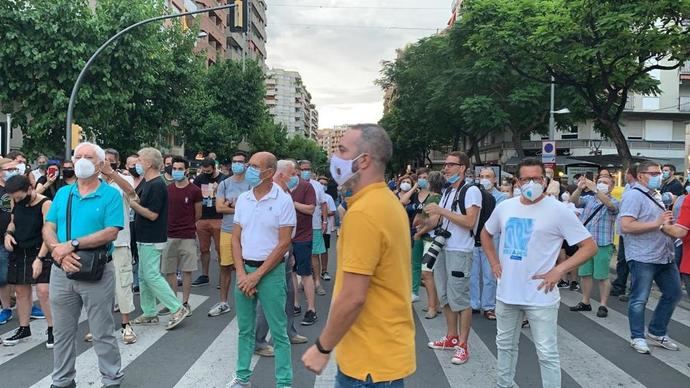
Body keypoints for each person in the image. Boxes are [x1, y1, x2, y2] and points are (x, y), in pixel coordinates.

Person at [302, 124, 415, 386]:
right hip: (382, 355)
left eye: (342, 150)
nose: (335, 158)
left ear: (363, 160)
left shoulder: (364, 213)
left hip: (368, 362)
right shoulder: (387, 202)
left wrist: (322, 347)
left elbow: (353, 296)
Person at [480, 158, 597, 388]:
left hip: (540, 295)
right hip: (507, 292)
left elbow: (589, 246)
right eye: (526, 179)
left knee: (546, 352)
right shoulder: (505, 207)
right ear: (517, 181)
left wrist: (560, 270)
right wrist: (494, 262)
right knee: (504, 345)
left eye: (537, 178)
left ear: (544, 181)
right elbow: (485, 233)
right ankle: (504, 384)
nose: (531, 182)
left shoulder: (558, 210)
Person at [43, 142, 125, 388]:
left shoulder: (110, 194)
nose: (81, 161)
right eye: (78, 156)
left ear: (100, 164)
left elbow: (111, 232)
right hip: (62, 270)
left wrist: (73, 245)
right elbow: (48, 227)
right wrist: (59, 252)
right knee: (62, 332)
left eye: (88, 157)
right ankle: (63, 380)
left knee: (102, 331)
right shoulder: (63, 193)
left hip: (96, 270)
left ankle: (111, 379)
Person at [228, 152, 295, 388]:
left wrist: (257, 276)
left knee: (279, 332)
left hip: (271, 273)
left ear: (269, 172)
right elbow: (236, 238)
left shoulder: (283, 200)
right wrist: (242, 273)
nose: (249, 169)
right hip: (245, 271)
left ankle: (284, 383)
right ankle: (242, 378)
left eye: (254, 166)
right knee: (245, 330)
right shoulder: (244, 199)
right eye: (249, 165)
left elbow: (284, 243)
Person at [423, 151, 481, 365]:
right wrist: (422, 224)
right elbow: (439, 220)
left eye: (450, 165)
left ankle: (463, 345)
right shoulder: (447, 192)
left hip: (460, 250)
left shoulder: (471, 190)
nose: (445, 168)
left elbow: (469, 221)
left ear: (463, 167)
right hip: (444, 248)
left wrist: (440, 211)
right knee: (446, 295)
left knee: (461, 299)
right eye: (445, 165)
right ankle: (451, 336)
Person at [620, 160, 682, 354]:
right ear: (641, 176)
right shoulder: (633, 196)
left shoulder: (655, 194)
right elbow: (626, 226)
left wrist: (670, 228)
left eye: (659, 173)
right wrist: (657, 223)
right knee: (639, 298)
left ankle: (656, 331)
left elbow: (661, 224)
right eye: (654, 173)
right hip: (642, 256)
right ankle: (637, 337)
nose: (659, 176)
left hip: (664, 254)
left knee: (674, 293)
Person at [255, 160, 309, 357]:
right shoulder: (270, 195)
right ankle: (258, 341)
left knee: (287, 294)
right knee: (269, 298)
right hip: (273, 252)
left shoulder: (285, 193)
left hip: (286, 249)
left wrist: (290, 251)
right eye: (292, 173)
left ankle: (289, 331)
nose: (296, 177)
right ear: (280, 174)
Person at [129, 147, 188, 330]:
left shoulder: (156, 184)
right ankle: (149, 312)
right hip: (143, 236)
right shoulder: (148, 182)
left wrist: (133, 205)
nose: (136, 163)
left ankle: (177, 308)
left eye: (139, 160)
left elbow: (153, 215)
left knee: (151, 275)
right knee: (144, 276)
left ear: (148, 163)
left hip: (152, 237)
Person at [88, 148, 137, 345]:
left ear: (116, 163)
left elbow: (132, 193)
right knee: (98, 287)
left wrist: (112, 174)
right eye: (103, 161)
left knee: (123, 284)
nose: (106, 163)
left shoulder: (123, 180)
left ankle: (126, 325)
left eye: (110, 161)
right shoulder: (92, 183)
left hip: (120, 241)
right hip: (97, 243)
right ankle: (100, 327)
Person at [2, 175, 53, 347]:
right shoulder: (16, 202)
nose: (16, 200)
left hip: (40, 249)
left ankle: (53, 328)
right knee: (21, 292)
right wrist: (8, 234)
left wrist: (40, 258)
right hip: (20, 250)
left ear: (30, 189)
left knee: (43, 291)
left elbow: (49, 233)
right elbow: (13, 222)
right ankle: (24, 328)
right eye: (13, 197)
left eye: (18, 196)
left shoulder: (45, 204)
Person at [569, 174, 620, 318]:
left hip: (603, 243)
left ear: (611, 186)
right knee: (585, 274)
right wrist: (579, 188)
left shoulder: (614, 201)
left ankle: (603, 305)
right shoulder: (589, 199)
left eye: (605, 182)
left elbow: (610, 206)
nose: (602, 184)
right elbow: (574, 201)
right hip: (586, 243)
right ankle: (585, 301)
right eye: (600, 182)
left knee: (602, 276)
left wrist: (596, 190)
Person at [209, 152, 250, 317]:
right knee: (225, 267)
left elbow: (253, 208)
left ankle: (248, 302)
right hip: (227, 230)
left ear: (245, 164)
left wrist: (231, 205)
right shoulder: (224, 184)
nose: (237, 164)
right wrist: (239, 207)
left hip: (247, 231)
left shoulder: (251, 184)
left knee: (247, 267)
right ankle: (224, 302)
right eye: (234, 161)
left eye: (240, 162)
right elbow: (219, 208)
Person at [162, 156, 202, 317]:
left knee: (187, 271)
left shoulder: (195, 191)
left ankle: (185, 302)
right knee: (169, 270)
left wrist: (188, 225)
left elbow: (198, 214)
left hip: (187, 235)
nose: (177, 171)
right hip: (169, 235)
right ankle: (173, 302)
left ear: (186, 170)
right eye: (174, 168)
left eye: (180, 169)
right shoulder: (168, 189)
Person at [471, 168, 507, 320]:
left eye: (488, 176)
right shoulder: (473, 194)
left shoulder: (502, 198)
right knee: (473, 274)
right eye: (482, 176)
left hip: (492, 238)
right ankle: (473, 304)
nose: (485, 179)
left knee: (490, 274)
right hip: (473, 238)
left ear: (494, 180)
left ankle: (488, 306)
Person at [413, 171, 444, 319]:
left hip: (431, 239)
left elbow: (434, 221)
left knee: (427, 273)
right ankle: (434, 304)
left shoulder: (434, 198)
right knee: (429, 274)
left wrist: (419, 232)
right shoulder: (436, 197)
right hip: (431, 239)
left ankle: (432, 306)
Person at [191, 157, 227, 287]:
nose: (206, 173)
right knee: (204, 249)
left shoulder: (223, 179)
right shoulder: (200, 178)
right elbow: (193, 193)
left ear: (214, 168)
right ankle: (204, 275)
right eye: (204, 170)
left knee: (220, 249)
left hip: (218, 218)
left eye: (208, 171)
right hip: (203, 219)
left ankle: (223, 277)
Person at [291, 162, 318, 326]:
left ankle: (311, 309)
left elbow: (310, 209)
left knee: (305, 273)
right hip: (287, 237)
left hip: (303, 237)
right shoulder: (281, 187)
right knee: (292, 272)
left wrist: (292, 203)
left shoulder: (306, 187)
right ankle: (295, 304)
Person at [298, 160, 329, 297]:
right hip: (298, 225)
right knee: (299, 255)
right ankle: (302, 280)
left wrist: (325, 221)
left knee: (314, 254)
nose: (306, 171)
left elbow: (323, 204)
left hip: (315, 225)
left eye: (308, 169)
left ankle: (317, 282)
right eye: (303, 169)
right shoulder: (294, 184)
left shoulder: (317, 186)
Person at [611, 164, 638, 301]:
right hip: (624, 230)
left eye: (626, 173)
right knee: (622, 260)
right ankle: (619, 285)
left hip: (634, 232)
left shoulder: (640, 190)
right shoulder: (628, 187)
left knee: (634, 262)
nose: (625, 175)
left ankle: (634, 290)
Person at [0, 158, 19, 325]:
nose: (14, 171)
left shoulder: (17, 188)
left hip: (18, 237)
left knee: (19, 275)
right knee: (2, 277)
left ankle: (23, 305)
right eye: (9, 168)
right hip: (1, 239)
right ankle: (6, 308)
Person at [399, 172, 422, 302]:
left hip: (411, 232)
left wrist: (414, 190)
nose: (406, 184)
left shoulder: (415, 197)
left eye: (409, 182)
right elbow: (401, 202)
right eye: (404, 182)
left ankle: (412, 290)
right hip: (397, 232)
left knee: (411, 262)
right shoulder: (394, 195)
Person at [125, 154, 143, 294]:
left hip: (141, 221)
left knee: (139, 252)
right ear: (126, 167)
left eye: (137, 164)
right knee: (129, 251)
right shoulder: (125, 181)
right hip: (126, 221)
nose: (135, 168)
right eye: (132, 165)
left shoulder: (146, 181)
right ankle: (132, 279)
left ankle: (139, 280)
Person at [317, 176, 337, 281]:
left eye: (325, 184)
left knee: (324, 250)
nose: (323, 186)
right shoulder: (312, 195)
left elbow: (333, 211)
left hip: (325, 228)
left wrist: (322, 213)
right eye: (321, 183)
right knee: (314, 252)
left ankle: (324, 271)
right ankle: (314, 271)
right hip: (313, 227)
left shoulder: (328, 197)